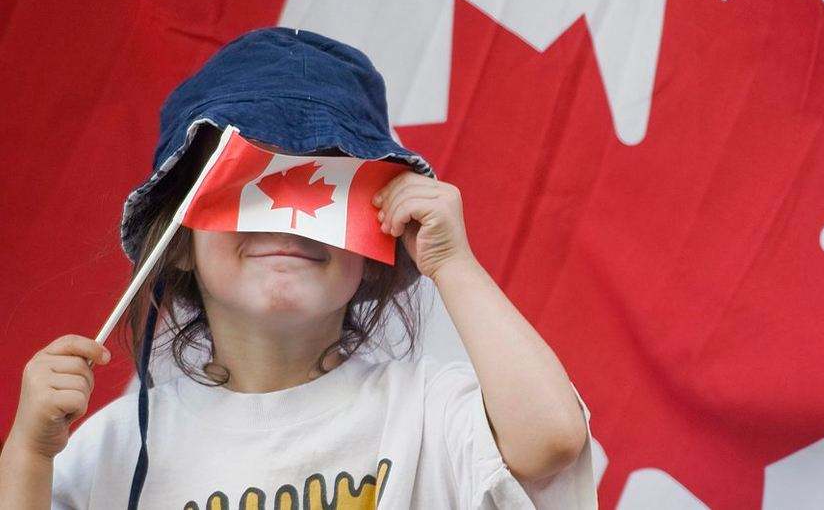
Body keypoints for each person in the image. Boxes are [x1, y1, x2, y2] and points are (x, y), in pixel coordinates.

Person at [0, 27, 598, 509]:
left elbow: (552, 441)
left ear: (375, 243)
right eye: (246, 182)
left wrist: (453, 264)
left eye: (329, 184)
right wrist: (27, 453)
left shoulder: (426, 411)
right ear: (178, 241)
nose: (288, 220)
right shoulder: (113, 448)